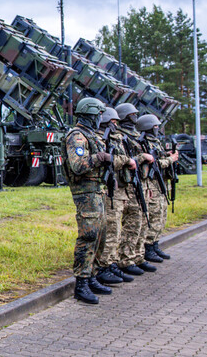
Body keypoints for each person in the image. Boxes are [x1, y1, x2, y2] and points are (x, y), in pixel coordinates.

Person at [63, 97, 115, 304]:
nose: (100, 119)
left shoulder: (91, 135)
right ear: (90, 115)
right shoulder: (77, 136)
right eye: (98, 115)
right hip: (85, 193)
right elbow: (78, 166)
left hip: (96, 191)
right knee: (88, 236)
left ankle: (92, 276)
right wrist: (99, 157)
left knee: (100, 235)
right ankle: (81, 283)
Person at [93, 107, 136, 286]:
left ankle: (110, 263)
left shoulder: (113, 138)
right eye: (114, 122)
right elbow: (108, 159)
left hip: (118, 187)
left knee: (115, 228)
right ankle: (104, 265)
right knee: (111, 229)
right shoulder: (100, 139)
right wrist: (126, 160)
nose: (116, 125)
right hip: (109, 189)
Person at [114, 103, 157, 274]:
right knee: (132, 223)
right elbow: (125, 159)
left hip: (141, 182)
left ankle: (138, 256)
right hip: (129, 184)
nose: (135, 117)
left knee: (142, 221)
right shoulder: (121, 137)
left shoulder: (135, 135)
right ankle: (125, 259)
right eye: (132, 114)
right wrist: (140, 158)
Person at [136, 113, 178, 259]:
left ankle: (155, 244)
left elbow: (158, 157)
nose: (157, 129)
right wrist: (170, 160)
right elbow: (154, 164)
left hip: (160, 184)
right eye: (155, 126)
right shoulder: (142, 143)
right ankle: (148, 247)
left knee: (161, 215)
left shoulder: (155, 142)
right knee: (153, 216)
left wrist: (166, 154)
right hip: (151, 184)